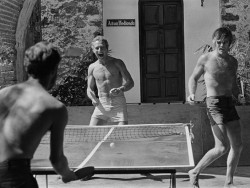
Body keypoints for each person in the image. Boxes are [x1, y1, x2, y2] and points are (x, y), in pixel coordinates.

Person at [0, 41, 79, 187]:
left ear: (27, 67)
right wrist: (68, 174)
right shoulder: (54, 107)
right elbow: (57, 160)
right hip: (15, 177)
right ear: (54, 70)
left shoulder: (3, 94)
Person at [187, 27, 245, 188]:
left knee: (237, 145)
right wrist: (191, 93)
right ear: (214, 42)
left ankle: (229, 182)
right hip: (213, 104)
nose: (221, 45)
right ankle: (195, 171)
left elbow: (232, 83)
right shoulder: (205, 59)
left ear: (230, 44)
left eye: (225, 42)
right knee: (222, 147)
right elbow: (193, 77)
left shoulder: (233, 61)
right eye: (218, 42)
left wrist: (238, 94)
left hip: (229, 103)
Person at [87, 36, 134, 126]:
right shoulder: (92, 67)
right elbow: (89, 88)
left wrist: (120, 89)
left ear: (107, 49)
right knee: (90, 133)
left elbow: (130, 82)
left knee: (122, 135)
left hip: (118, 103)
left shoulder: (117, 63)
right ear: (93, 50)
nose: (100, 50)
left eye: (102, 47)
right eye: (97, 48)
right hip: (101, 104)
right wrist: (93, 98)